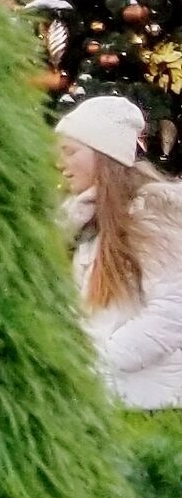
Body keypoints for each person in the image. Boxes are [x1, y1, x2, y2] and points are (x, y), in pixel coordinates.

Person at [56, 94, 182, 408]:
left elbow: (170, 316)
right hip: (106, 401)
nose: (61, 164)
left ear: (103, 156)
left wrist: (95, 362)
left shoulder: (151, 216)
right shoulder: (87, 224)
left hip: (148, 408)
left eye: (71, 152)